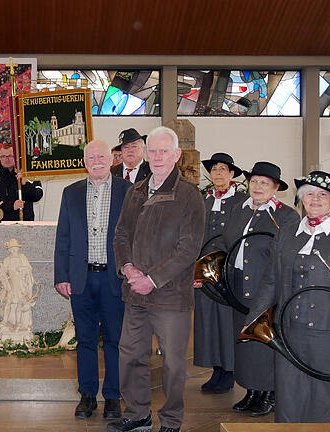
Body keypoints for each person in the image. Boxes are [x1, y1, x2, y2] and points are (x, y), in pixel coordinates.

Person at [243, 171, 330, 423]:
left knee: (326, 401)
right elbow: (271, 281)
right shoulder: (286, 233)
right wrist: (253, 319)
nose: (315, 199)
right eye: (309, 194)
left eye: (322, 194)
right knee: (289, 399)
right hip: (288, 334)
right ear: (301, 199)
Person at [110, 126, 205, 432]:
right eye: (152, 151)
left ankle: (172, 420)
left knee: (173, 364)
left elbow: (188, 247)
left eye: (164, 151)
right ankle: (138, 414)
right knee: (131, 355)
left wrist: (152, 278)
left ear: (177, 155)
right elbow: (121, 234)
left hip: (170, 295)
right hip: (135, 293)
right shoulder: (136, 191)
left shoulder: (190, 195)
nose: (157, 157)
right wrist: (127, 268)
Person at [54, 139, 131, 420]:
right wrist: (61, 275)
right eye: (90, 157)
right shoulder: (70, 193)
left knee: (114, 340)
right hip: (81, 279)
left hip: (114, 279)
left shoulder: (128, 191)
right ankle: (87, 396)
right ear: (84, 161)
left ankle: (112, 396)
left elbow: (134, 236)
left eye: (101, 156)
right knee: (85, 340)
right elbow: (63, 236)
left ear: (111, 159)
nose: (96, 161)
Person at [221, 161, 299, 416]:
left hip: (268, 287)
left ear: (276, 187)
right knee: (244, 340)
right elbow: (225, 242)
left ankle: (269, 392)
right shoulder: (238, 209)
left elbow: (286, 257)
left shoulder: (286, 216)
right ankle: (251, 390)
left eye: (265, 183)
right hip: (238, 286)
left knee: (264, 341)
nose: (258, 186)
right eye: (254, 181)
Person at [193, 152, 247, 395]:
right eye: (214, 169)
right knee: (207, 322)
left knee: (227, 322)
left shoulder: (242, 202)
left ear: (232, 174)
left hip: (228, 272)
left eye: (223, 169)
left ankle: (229, 370)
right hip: (205, 272)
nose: (218, 173)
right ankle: (216, 367)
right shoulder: (203, 201)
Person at [0, 144, 43, 220]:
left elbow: (37, 195)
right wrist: (11, 205)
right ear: (0, 158)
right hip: (2, 223)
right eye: (3, 156)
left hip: (26, 222)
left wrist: (25, 184)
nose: (7, 159)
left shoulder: (28, 175)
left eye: (10, 156)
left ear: (17, 157)